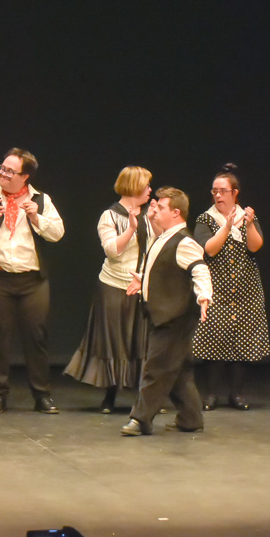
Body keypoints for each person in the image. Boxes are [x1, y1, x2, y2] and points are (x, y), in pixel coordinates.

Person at [0, 148, 65, 415]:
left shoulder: (41, 200)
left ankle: (42, 395)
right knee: (0, 337)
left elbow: (57, 233)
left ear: (25, 176)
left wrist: (36, 217)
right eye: (2, 168)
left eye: (10, 171)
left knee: (36, 337)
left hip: (32, 280)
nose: (3, 174)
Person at [121, 187, 212, 436]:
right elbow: (166, 272)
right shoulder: (164, 238)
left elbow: (199, 270)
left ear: (175, 212)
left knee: (156, 368)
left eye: (161, 208)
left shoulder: (185, 242)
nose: (155, 211)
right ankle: (191, 418)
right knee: (178, 370)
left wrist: (204, 295)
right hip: (163, 314)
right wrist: (144, 281)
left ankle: (140, 419)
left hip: (175, 317)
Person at [64, 166, 152, 413]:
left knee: (140, 339)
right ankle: (110, 395)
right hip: (113, 285)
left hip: (141, 284)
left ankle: (146, 396)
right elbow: (112, 250)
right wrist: (131, 228)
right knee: (114, 340)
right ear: (135, 186)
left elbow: (156, 248)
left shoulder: (150, 214)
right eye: (146, 185)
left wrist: (144, 278)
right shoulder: (110, 216)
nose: (150, 190)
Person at [192, 164, 269, 411]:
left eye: (223, 191)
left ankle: (237, 394)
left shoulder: (247, 217)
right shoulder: (205, 219)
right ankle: (212, 394)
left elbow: (255, 246)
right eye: (214, 191)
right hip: (217, 290)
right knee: (214, 342)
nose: (218, 195)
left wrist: (248, 224)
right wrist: (226, 226)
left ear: (235, 193)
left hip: (246, 290)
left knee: (242, 342)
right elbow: (209, 249)